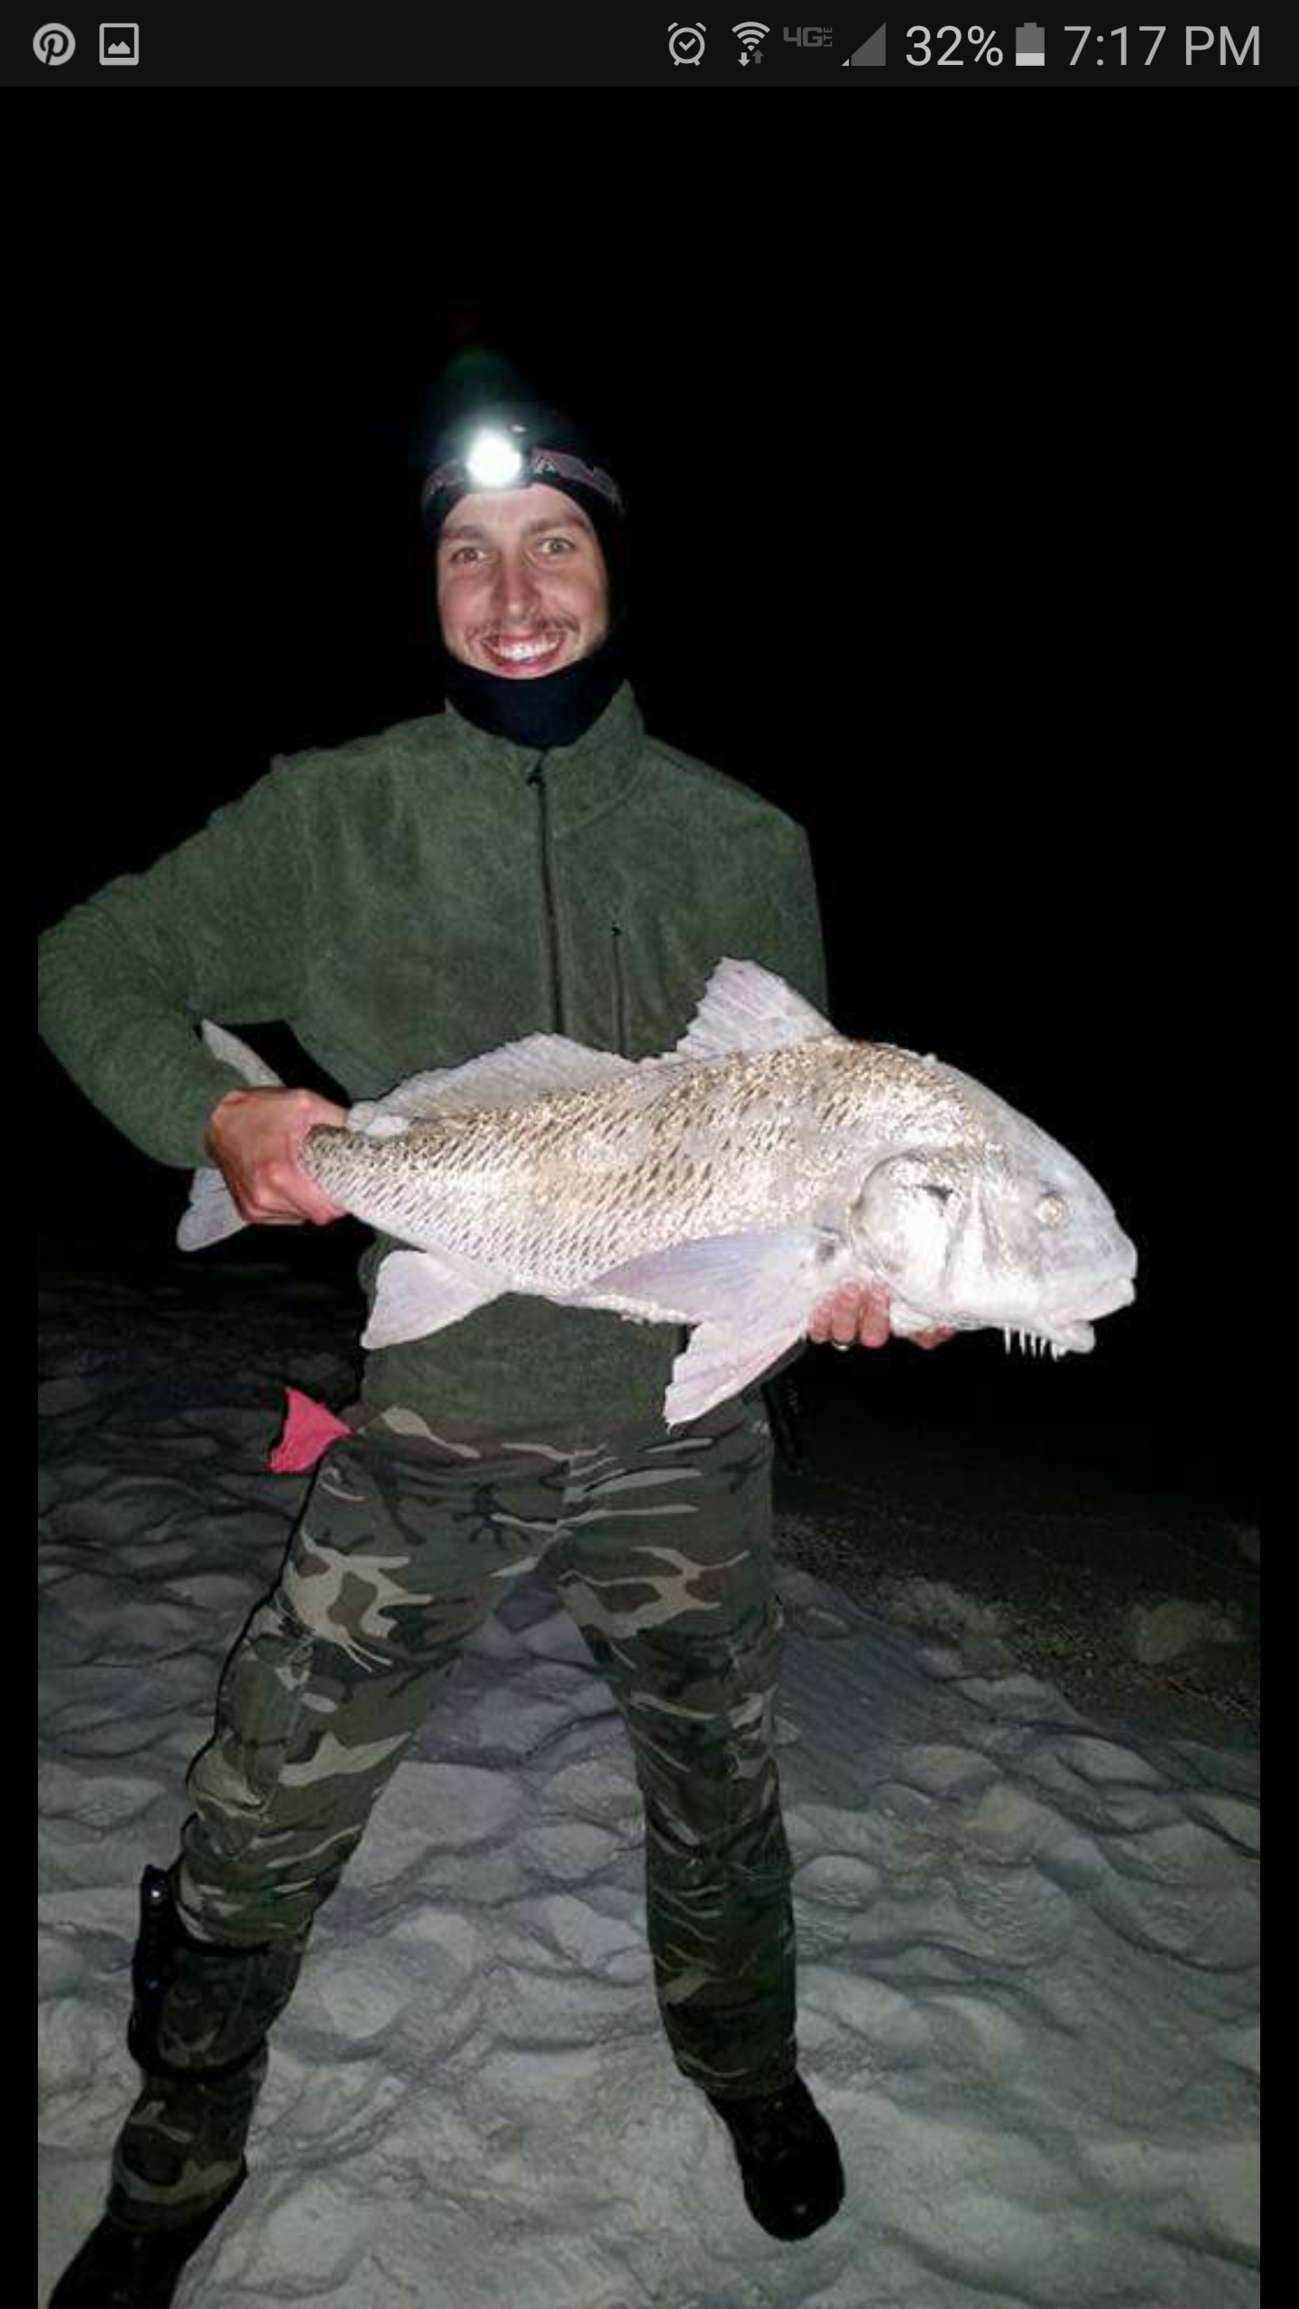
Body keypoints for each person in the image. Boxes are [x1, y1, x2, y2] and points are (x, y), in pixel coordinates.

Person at [38, 395, 952, 2306]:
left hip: (679, 1429)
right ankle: (175, 2155)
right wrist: (216, 1116)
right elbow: (88, 965)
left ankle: (747, 2072)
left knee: (719, 1794)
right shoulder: (331, 815)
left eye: (554, 543)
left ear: (613, 571)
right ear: (431, 585)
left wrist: (847, 1273)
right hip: (431, 1421)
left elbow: (803, 1131)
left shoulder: (740, 839)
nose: (512, 591)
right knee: (260, 1805)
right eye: (468, 551)